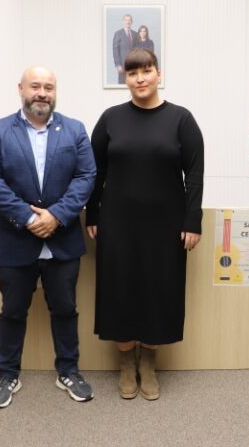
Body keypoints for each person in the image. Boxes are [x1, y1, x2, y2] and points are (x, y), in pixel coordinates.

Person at [0, 66, 97, 408]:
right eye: (35, 86)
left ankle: (69, 371)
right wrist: (29, 217)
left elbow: (87, 176)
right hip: (16, 240)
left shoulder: (74, 130)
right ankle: (7, 374)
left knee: (65, 309)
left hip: (63, 240)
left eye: (49, 87)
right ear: (20, 89)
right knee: (12, 311)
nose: (42, 93)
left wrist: (56, 216)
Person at [86, 48, 204, 401]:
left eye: (147, 70)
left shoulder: (182, 119)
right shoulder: (110, 119)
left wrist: (192, 220)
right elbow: (94, 171)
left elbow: (194, 175)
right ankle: (126, 364)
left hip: (166, 224)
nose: (140, 78)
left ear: (158, 73)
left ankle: (148, 364)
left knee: (159, 289)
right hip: (117, 222)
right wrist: (92, 212)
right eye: (132, 72)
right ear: (125, 78)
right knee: (119, 288)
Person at [112, 14, 138, 84]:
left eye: (129, 20)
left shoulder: (135, 34)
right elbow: (115, 51)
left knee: (133, 84)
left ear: (132, 22)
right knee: (122, 85)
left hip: (133, 64)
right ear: (123, 22)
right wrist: (118, 65)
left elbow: (137, 50)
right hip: (122, 65)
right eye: (126, 20)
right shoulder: (118, 33)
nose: (128, 22)